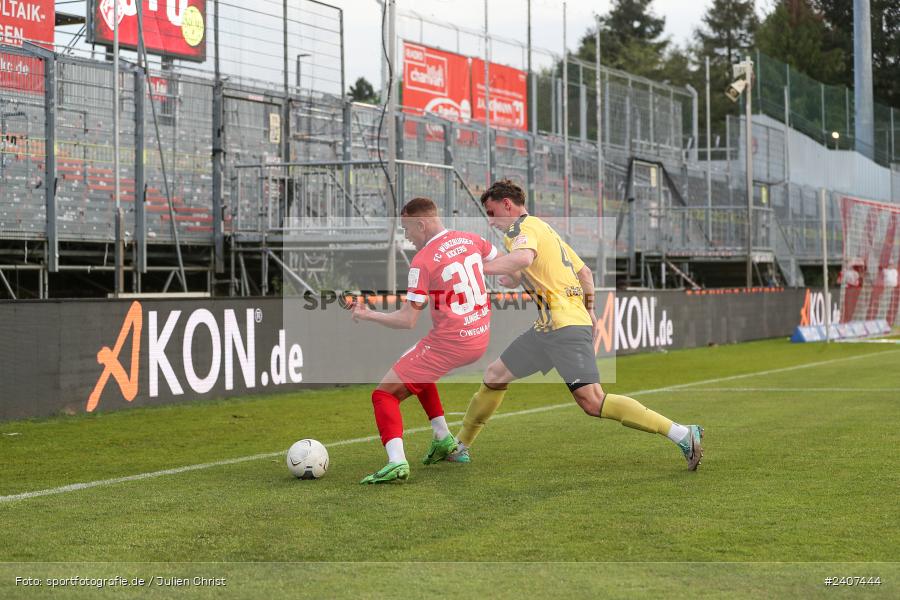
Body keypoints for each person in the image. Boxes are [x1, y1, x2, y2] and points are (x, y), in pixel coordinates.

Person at [443, 179, 704, 471]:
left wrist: (475, 267)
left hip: (563, 325)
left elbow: (524, 258)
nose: (490, 221)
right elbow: (584, 273)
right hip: (549, 327)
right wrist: (589, 310)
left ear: (507, 204)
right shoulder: (544, 230)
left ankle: (682, 433)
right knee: (495, 374)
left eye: (492, 213)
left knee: (592, 401)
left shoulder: (522, 229)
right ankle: (459, 446)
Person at [352, 197, 498, 484]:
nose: (407, 236)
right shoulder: (472, 239)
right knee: (415, 362)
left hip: (451, 342)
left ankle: (396, 462)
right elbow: (508, 267)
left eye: (407, 229)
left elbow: (407, 320)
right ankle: (443, 438)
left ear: (421, 223)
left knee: (383, 395)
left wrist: (368, 315)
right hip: (479, 336)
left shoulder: (422, 261)